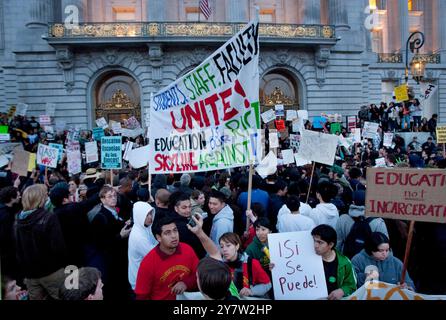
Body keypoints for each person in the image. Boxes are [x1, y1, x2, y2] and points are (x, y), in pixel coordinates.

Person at [14, 184, 68, 300]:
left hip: (30, 275)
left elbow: (17, 250)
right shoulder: (49, 218)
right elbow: (58, 247)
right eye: (45, 195)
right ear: (40, 198)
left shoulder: (18, 220)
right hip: (51, 272)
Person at [134, 216, 199, 300]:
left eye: (175, 230)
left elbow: (199, 274)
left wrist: (186, 283)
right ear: (159, 238)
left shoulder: (187, 249)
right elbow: (142, 296)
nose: (173, 236)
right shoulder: (148, 263)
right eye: (167, 233)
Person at [89, 185, 132, 300]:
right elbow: (101, 242)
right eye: (109, 196)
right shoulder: (100, 217)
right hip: (111, 262)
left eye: (114, 195)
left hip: (120, 258)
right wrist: (120, 236)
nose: (114, 198)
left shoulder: (115, 211)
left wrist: (125, 224)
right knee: (115, 289)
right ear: (102, 199)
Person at [219, 232, 271, 298]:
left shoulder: (252, 263)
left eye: (228, 245)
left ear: (237, 246)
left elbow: (268, 284)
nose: (224, 249)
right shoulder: (221, 265)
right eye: (221, 246)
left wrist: (251, 291)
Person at [335, 190, 388, 255]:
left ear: (353, 202)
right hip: (370, 261)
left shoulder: (343, 219)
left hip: (348, 260)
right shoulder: (378, 222)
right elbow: (385, 246)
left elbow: (338, 243)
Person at [311, 224, 357, 300]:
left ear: (331, 244)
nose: (315, 245)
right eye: (314, 241)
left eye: (320, 242)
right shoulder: (307, 259)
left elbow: (352, 286)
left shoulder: (345, 263)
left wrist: (342, 291)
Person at [128, 201, 157, 290]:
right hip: (140, 282)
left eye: (151, 214)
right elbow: (155, 256)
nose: (150, 217)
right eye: (146, 215)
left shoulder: (143, 228)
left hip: (143, 277)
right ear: (139, 216)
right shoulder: (139, 237)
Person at [0, 186, 21, 279]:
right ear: (12, 198)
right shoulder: (6, 216)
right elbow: (6, 236)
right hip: (7, 253)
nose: (20, 197)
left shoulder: (7, 209)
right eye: (18, 195)